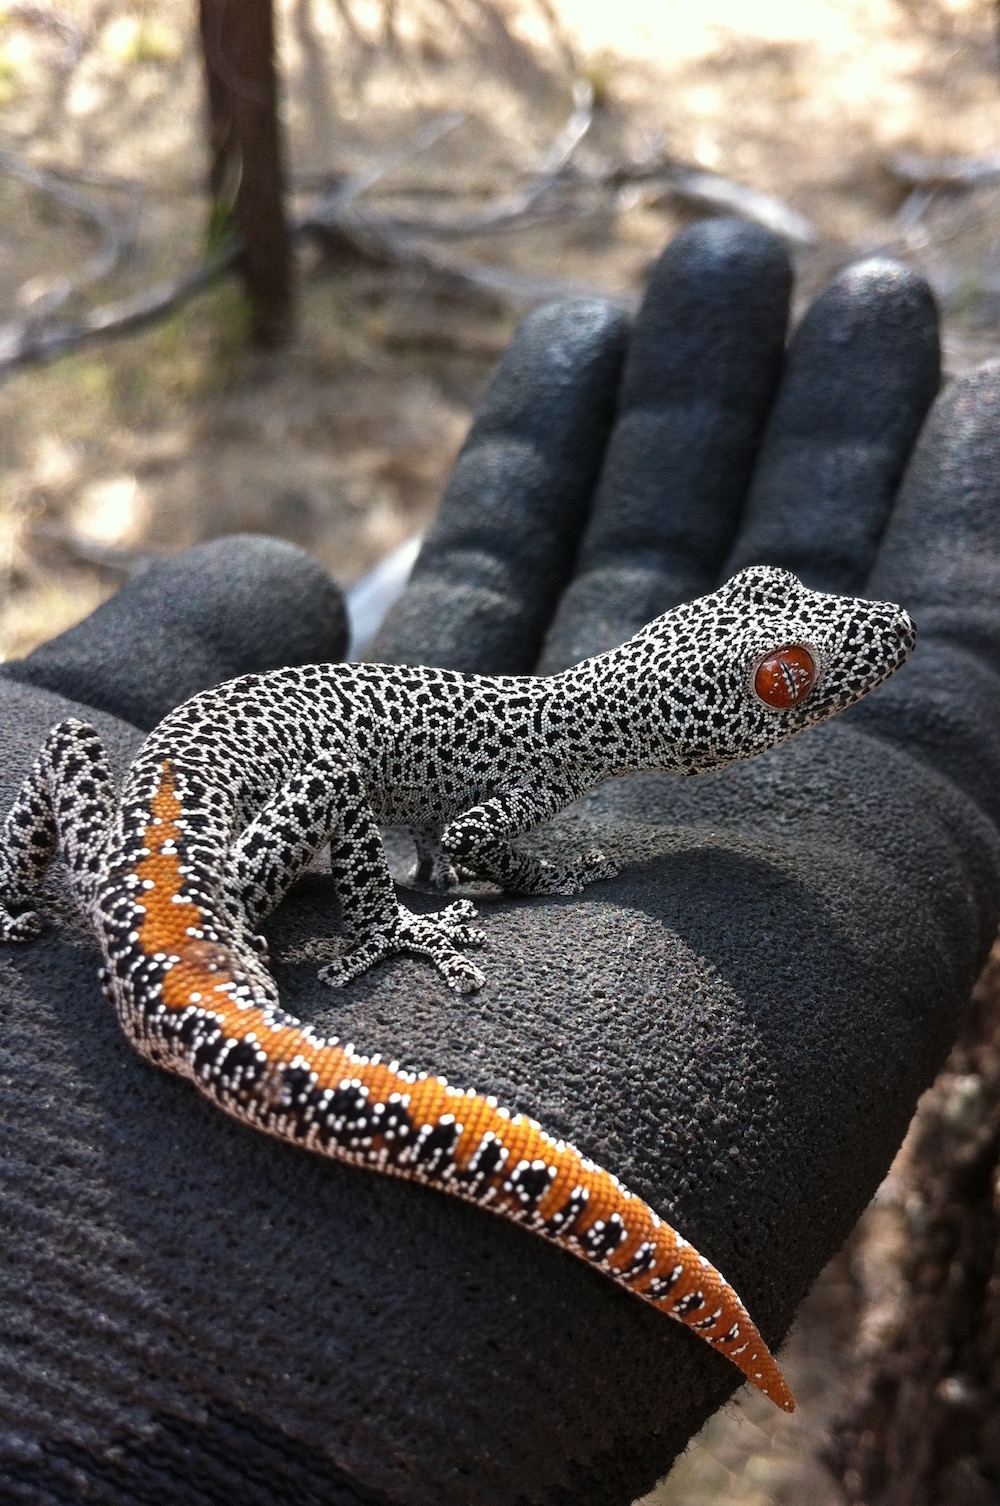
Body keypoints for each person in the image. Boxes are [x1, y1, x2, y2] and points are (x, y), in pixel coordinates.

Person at [2, 219, 998, 1505]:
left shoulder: (559, 736)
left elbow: (425, 821)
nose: (807, 675)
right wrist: (396, 917)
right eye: (785, 675)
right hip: (204, 894)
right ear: (696, 713)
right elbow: (460, 839)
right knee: (330, 796)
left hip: (140, 862)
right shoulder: (547, 755)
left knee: (164, 776)